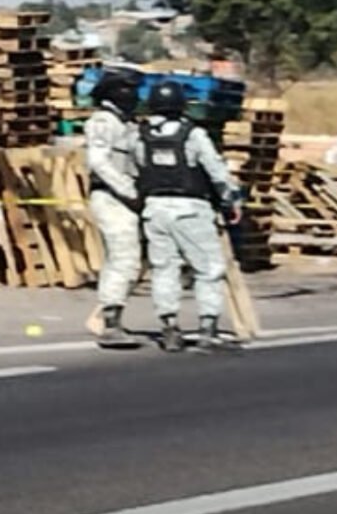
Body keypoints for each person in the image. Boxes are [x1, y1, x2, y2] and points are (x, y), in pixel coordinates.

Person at [134, 80, 242, 353]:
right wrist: (231, 199)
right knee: (208, 269)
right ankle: (208, 328)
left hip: (154, 209)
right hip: (191, 209)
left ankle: (169, 328)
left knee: (164, 269)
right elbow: (216, 171)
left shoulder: (141, 135)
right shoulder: (192, 134)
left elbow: (137, 169)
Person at [85, 67, 143, 348]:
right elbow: (98, 161)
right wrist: (128, 190)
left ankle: (105, 311)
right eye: (127, 89)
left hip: (131, 198)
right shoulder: (102, 122)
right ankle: (111, 322)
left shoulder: (129, 123)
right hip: (111, 196)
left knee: (134, 261)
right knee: (124, 258)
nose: (133, 95)